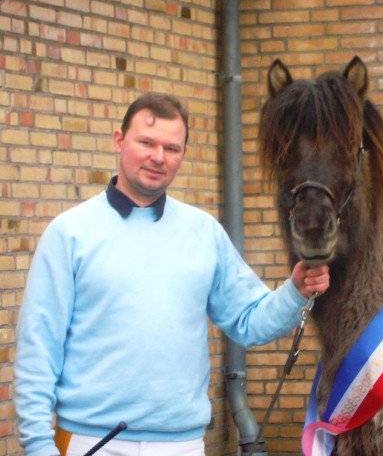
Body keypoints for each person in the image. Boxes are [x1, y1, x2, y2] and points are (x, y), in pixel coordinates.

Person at [14, 93, 330, 456]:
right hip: (90, 442)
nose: (158, 157)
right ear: (119, 141)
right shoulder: (69, 233)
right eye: (146, 142)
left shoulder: (203, 232)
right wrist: (39, 446)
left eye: (172, 148)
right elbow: (38, 349)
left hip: (181, 444)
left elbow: (248, 320)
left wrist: (295, 290)